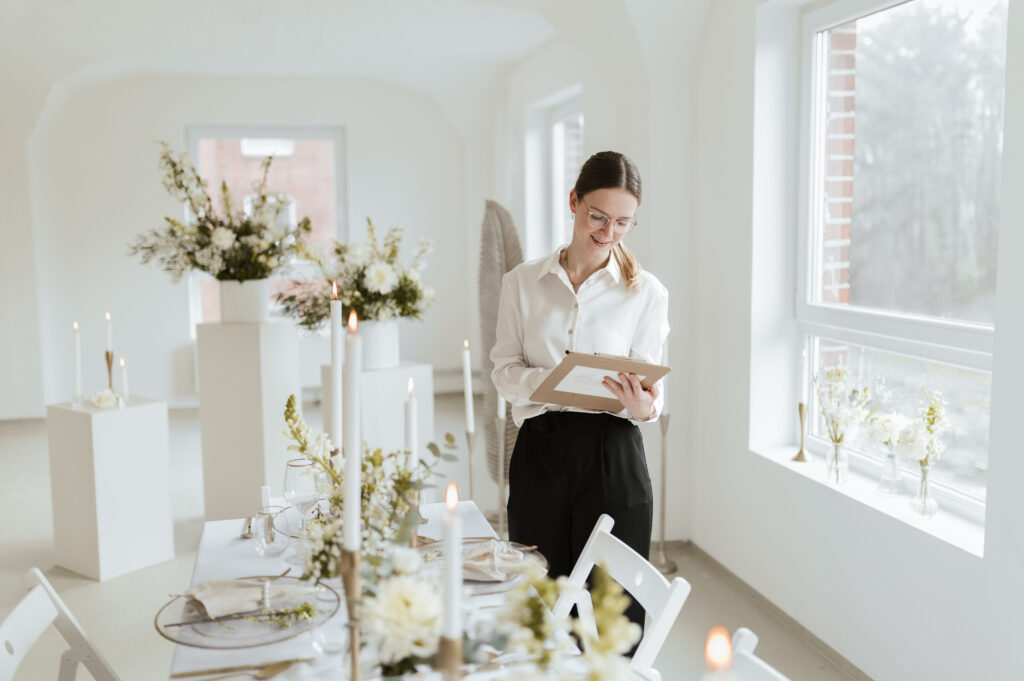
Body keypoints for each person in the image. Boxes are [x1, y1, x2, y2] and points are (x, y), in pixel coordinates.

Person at [490, 150, 669, 630]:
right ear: (573, 202)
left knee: (614, 609)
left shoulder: (647, 293)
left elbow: (653, 397)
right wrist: (552, 384)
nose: (608, 233)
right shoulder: (522, 283)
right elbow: (503, 371)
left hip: (615, 456)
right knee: (541, 598)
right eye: (598, 216)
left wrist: (644, 405)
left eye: (623, 223)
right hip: (540, 452)